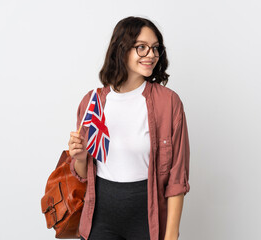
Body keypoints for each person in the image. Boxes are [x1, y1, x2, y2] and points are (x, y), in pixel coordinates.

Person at [68, 16, 190, 240]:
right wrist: (79, 157)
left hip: (147, 219)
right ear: (121, 49)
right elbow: (84, 174)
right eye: (141, 47)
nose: (151, 55)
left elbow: (177, 178)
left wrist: (171, 236)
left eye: (155, 48)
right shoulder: (92, 102)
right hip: (99, 218)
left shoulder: (168, 103)